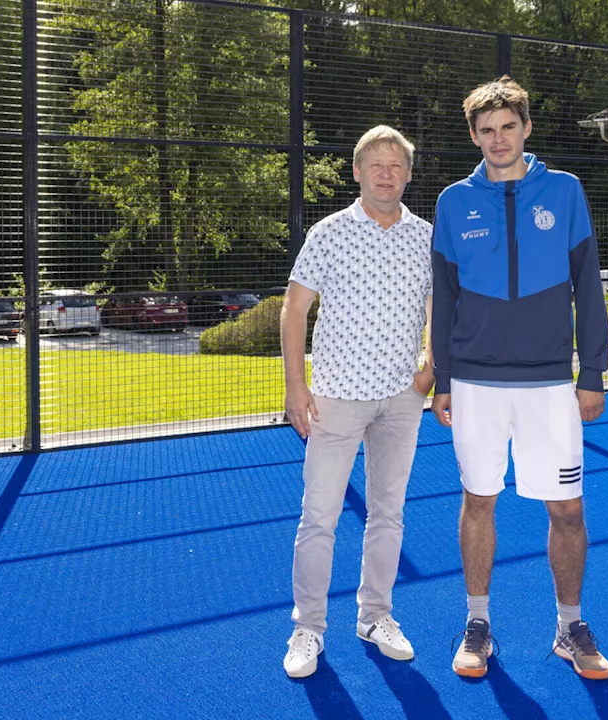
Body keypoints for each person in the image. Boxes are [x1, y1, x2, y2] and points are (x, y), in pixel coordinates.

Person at [429, 76, 608, 680]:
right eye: (486, 130)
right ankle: (477, 624)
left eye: (508, 127)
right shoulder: (453, 202)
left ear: (526, 128)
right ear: (475, 136)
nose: (498, 139)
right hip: (476, 384)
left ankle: (569, 627)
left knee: (566, 509)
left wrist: (593, 371)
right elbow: (444, 297)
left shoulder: (564, 191)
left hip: (549, 385)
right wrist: (445, 380)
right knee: (478, 500)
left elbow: (588, 285)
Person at [280, 125, 434, 679]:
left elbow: (440, 306)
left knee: (388, 514)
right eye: (375, 164)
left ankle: (376, 616)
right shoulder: (328, 233)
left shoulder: (426, 237)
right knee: (319, 517)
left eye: (396, 164)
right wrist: (297, 387)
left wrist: (429, 371)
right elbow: (294, 310)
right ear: (357, 172)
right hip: (335, 401)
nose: (386, 172)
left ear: (409, 174)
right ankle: (308, 628)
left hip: (400, 401)